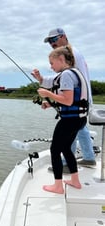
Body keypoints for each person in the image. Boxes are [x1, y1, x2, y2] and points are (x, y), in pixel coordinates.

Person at [31, 45, 88, 194]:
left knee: (55, 150)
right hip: (79, 119)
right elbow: (71, 100)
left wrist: (47, 94)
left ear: (61, 59)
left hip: (70, 121)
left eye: (52, 63)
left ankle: (57, 186)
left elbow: (68, 101)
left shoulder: (67, 75)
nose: (51, 67)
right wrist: (50, 103)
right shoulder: (74, 73)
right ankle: (75, 181)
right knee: (65, 148)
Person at [43, 28, 96, 168]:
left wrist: (46, 89)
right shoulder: (73, 52)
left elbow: (64, 79)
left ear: (64, 37)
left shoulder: (69, 54)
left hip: (76, 101)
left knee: (69, 128)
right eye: (50, 42)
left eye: (54, 40)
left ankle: (67, 163)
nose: (52, 44)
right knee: (80, 127)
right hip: (82, 99)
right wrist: (42, 80)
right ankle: (89, 157)